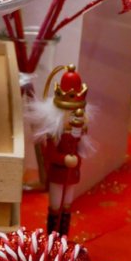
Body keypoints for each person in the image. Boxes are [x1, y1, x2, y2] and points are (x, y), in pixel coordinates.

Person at [39, 64, 89, 237]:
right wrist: (64, 160)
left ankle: (64, 238)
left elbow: (80, 151)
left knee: (67, 205)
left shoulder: (79, 133)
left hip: (72, 174)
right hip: (58, 174)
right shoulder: (54, 133)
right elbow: (50, 154)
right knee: (55, 205)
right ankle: (52, 238)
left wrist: (76, 161)